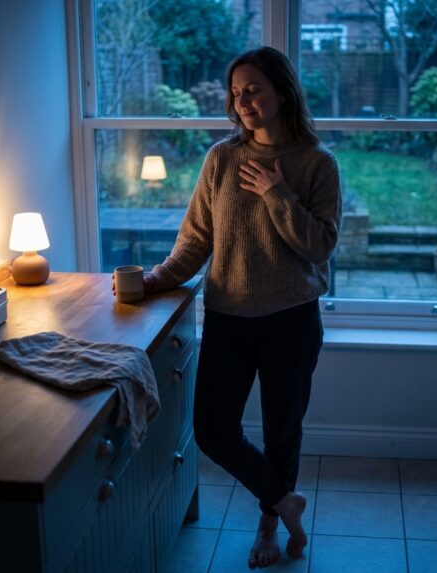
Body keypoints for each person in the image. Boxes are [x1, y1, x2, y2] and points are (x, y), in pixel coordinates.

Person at [115, 46, 341, 568]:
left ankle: (267, 526)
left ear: (282, 92)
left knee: (283, 431)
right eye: (235, 93)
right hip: (229, 317)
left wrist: (276, 191)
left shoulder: (317, 165)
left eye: (253, 89)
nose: (242, 101)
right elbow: (196, 240)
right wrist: (152, 281)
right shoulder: (221, 159)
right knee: (214, 429)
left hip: (292, 321)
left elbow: (320, 246)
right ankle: (285, 502)